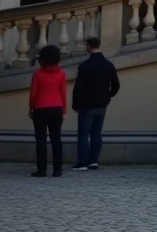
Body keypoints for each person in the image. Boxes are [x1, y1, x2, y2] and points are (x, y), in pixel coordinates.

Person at [72, 36, 120, 171]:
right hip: (102, 105)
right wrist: (108, 96)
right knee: (96, 133)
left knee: (83, 134)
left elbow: (79, 88)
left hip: (87, 105)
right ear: (99, 45)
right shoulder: (109, 65)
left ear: (88, 46)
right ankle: (94, 161)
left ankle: (82, 162)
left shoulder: (85, 66)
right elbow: (116, 85)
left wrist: (75, 104)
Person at [29, 45, 67, 178]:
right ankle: (58, 169)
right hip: (57, 107)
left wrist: (31, 108)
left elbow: (33, 94)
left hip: (40, 107)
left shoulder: (38, 74)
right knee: (56, 139)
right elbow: (63, 93)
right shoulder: (61, 73)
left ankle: (42, 169)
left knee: (41, 140)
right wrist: (64, 110)